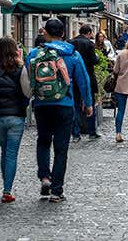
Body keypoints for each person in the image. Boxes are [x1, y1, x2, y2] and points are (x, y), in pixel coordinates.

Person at [26, 19, 93, 203]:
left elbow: (27, 78)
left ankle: (45, 177)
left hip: (42, 104)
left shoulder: (34, 54)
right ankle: (56, 191)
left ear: (45, 33)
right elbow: (83, 80)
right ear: (63, 34)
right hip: (65, 104)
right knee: (61, 148)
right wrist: (87, 104)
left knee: (43, 141)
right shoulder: (72, 54)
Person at [0, 37, 32, 203]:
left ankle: (6, 186)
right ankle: (7, 190)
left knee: (5, 151)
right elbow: (28, 93)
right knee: (10, 153)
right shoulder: (20, 68)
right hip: (16, 117)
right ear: (14, 50)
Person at [70, 25, 101, 140]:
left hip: (73, 78)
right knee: (90, 103)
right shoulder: (89, 44)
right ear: (88, 33)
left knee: (75, 105)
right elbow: (94, 60)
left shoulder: (71, 42)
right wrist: (97, 57)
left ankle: (76, 134)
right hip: (87, 76)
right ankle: (92, 132)